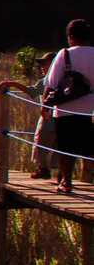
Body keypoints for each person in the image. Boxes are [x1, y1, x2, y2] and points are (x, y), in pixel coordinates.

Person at [43, 19, 94, 193]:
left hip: (65, 110)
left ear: (70, 37)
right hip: (91, 110)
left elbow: (51, 82)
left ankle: (66, 182)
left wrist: (45, 105)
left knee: (66, 148)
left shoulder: (65, 54)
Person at [2, 52, 59, 179]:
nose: (41, 67)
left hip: (47, 122)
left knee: (40, 145)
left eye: (44, 64)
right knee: (59, 148)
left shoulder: (45, 82)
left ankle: (42, 169)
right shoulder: (63, 80)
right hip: (61, 122)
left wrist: (13, 84)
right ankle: (61, 173)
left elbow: (30, 91)